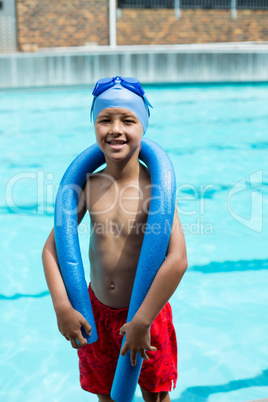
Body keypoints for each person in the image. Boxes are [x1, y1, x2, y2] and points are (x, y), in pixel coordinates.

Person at [42, 76, 188, 402]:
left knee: (156, 394)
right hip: (96, 314)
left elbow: (177, 260)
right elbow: (52, 250)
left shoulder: (156, 189)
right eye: (105, 119)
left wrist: (143, 319)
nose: (116, 129)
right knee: (106, 395)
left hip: (146, 314)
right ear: (94, 126)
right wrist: (62, 306)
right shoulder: (89, 186)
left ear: (144, 126)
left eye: (128, 120)